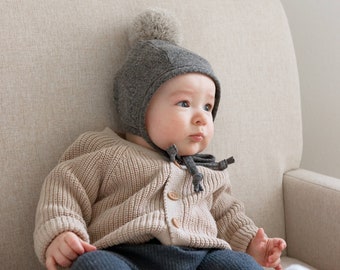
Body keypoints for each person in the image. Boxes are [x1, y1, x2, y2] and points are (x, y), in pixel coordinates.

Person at [34, 9, 286, 270]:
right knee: (93, 264)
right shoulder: (105, 152)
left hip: (201, 258)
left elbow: (228, 216)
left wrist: (251, 245)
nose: (202, 117)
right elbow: (64, 190)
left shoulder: (207, 173)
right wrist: (62, 233)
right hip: (123, 255)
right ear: (140, 108)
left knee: (238, 265)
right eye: (185, 103)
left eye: (208, 107)